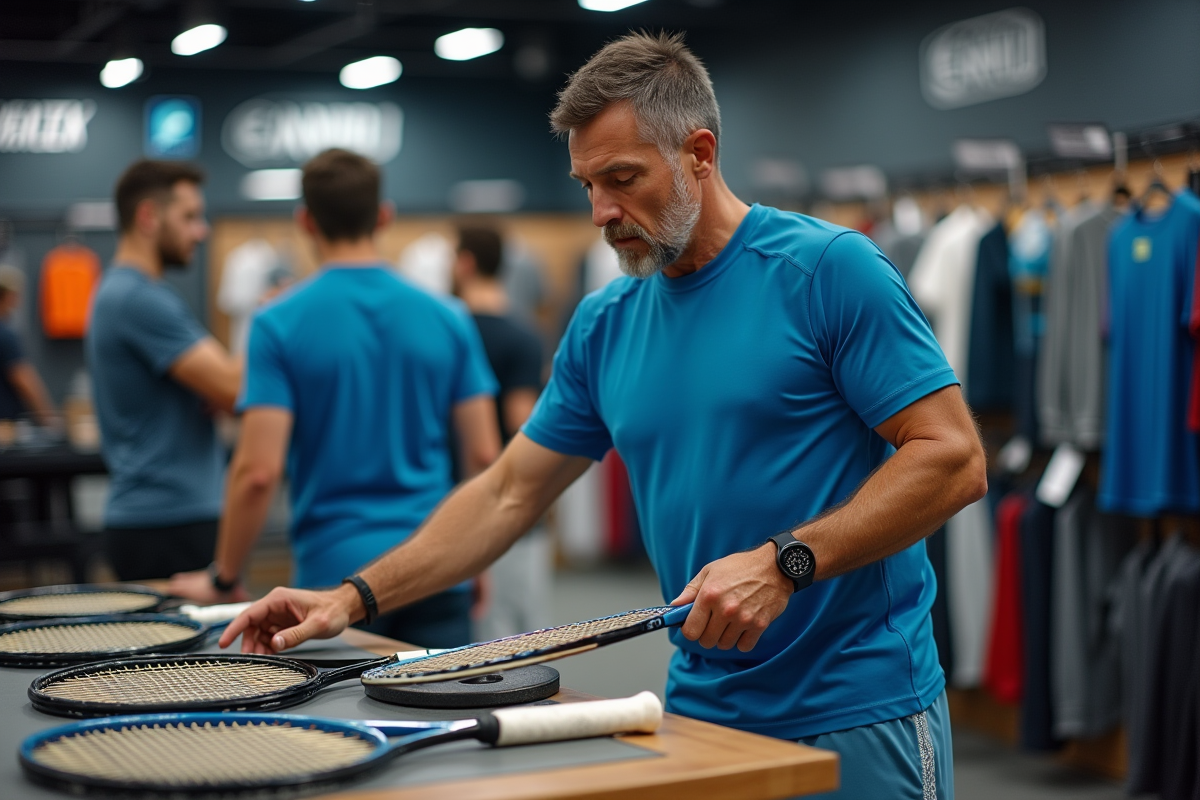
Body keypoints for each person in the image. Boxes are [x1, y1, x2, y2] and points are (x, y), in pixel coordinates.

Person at [222, 33, 986, 800]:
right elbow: (506, 492)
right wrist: (348, 598)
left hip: (854, 707)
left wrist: (785, 561)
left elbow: (952, 456)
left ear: (700, 152)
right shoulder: (606, 320)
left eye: (621, 179)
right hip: (699, 710)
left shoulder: (827, 271)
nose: (599, 212)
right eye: (587, 184)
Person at [171, 149, 501, 649]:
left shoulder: (277, 322)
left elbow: (257, 473)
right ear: (383, 215)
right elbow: (483, 457)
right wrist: (473, 553)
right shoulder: (449, 316)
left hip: (331, 581)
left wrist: (225, 576)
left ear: (305, 221)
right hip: (434, 566)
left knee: (340, 726)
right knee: (446, 721)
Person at [87, 160, 242, 581]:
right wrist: (269, 320)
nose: (201, 230)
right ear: (148, 217)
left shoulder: (135, 294)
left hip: (166, 518)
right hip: (168, 523)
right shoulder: (138, 299)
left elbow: (220, 386)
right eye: (189, 217)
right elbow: (234, 388)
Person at [452, 225, 549, 638]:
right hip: (507, 496)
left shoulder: (447, 329)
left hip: (450, 494)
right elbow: (521, 422)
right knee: (518, 631)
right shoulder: (523, 335)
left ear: (465, 262)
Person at [0, 266, 57, 426]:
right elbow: (24, 379)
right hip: (6, 427)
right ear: (8, 296)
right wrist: (50, 419)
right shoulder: (5, 335)